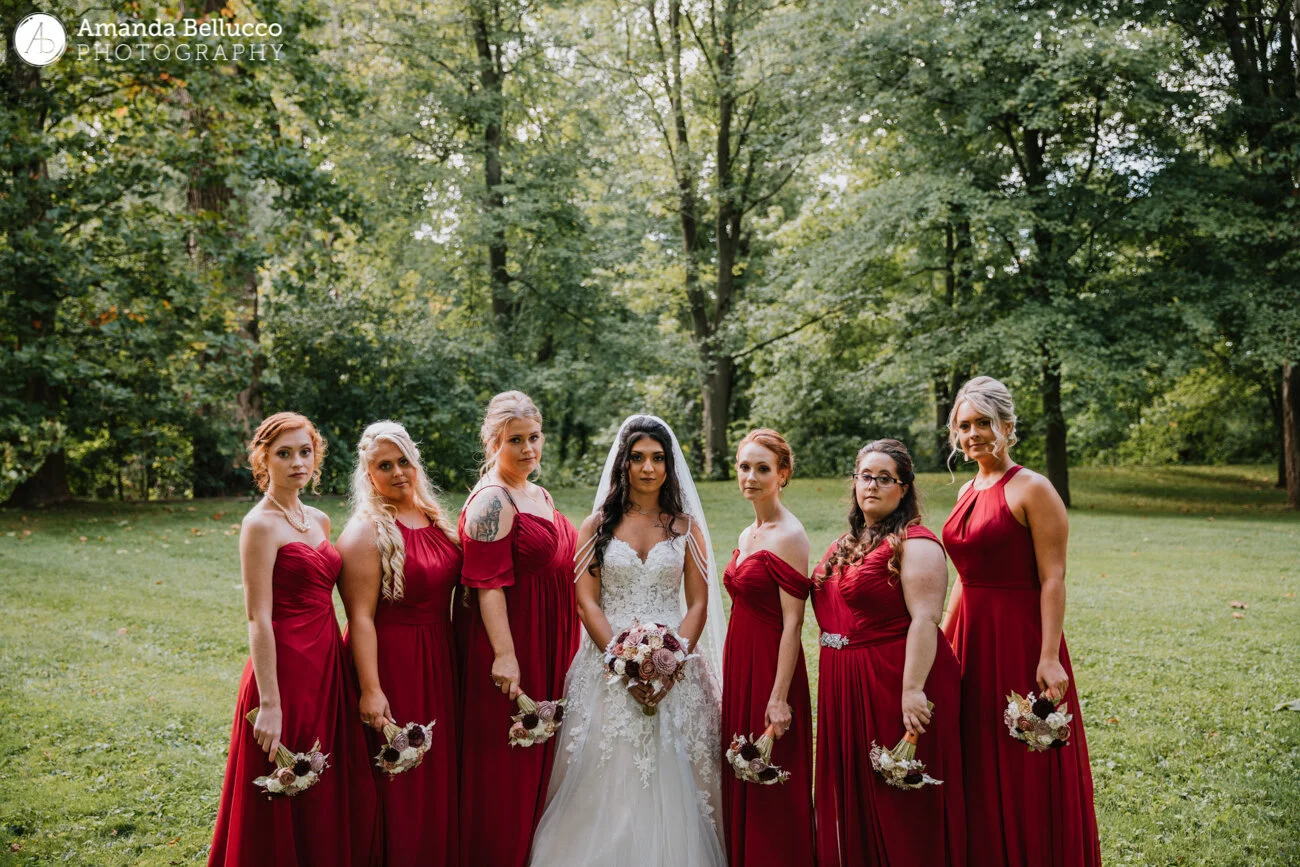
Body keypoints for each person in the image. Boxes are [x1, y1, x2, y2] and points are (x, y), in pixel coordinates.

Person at [528, 415, 728, 865]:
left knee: (679, 773)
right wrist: (622, 663)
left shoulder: (686, 528)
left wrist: (672, 663)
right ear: (623, 463)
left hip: (676, 661)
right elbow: (587, 604)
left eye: (657, 458)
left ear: (669, 465)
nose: (648, 468)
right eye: (637, 458)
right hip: (606, 661)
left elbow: (697, 604)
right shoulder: (596, 526)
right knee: (603, 772)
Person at [941, 376, 1101, 866]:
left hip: (1018, 638)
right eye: (964, 425)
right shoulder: (967, 489)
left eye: (983, 423)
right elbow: (963, 576)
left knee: (1020, 759)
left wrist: (1049, 656)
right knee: (976, 752)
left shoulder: (1033, 488)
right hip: (970, 635)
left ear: (1007, 426)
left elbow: (1053, 578)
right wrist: (943, 640)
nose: (973, 434)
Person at [209, 412, 379, 866]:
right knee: (288, 779)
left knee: (326, 778)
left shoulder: (319, 520)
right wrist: (270, 703)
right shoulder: (259, 525)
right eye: (284, 454)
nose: (297, 462)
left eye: (305, 452)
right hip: (284, 670)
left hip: (327, 663)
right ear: (263, 459)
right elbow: (257, 617)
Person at [812, 439, 965, 867]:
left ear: (904, 488)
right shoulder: (849, 541)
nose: (872, 486)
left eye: (885, 478)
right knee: (857, 793)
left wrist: (912, 689)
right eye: (865, 476)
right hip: (845, 682)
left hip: (893, 678)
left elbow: (925, 619)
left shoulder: (917, 544)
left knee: (899, 803)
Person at [455, 391, 579, 867]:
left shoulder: (537, 493)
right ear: (492, 443)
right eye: (515, 440)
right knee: (508, 765)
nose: (529, 449)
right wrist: (505, 656)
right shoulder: (492, 500)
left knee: (543, 758)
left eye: (534, 437)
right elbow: (487, 586)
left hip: (550, 637)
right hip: (513, 643)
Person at [338, 421, 462, 867]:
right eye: (384, 466)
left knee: (436, 775)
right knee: (403, 777)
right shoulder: (366, 533)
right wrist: (372, 690)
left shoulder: (431, 516)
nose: (397, 472)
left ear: (416, 462)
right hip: (395, 663)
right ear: (368, 475)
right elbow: (361, 617)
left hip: (440, 657)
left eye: (403, 462)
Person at [720, 429, 816, 867]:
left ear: (783, 474)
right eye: (745, 467)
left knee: (769, 778)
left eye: (763, 469)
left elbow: (793, 623)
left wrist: (778, 698)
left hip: (772, 669)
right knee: (741, 768)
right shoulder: (748, 533)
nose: (751, 477)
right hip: (740, 661)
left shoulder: (789, 535)